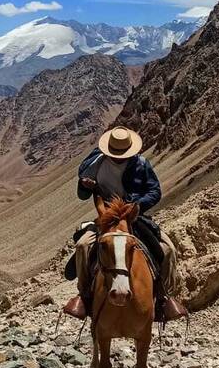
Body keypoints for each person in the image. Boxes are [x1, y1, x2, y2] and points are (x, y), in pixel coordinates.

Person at [63, 126, 187, 322]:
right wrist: (85, 185)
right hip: (106, 218)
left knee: (168, 249)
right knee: (83, 245)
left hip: (134, 217)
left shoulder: (141, 164)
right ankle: (84, 295)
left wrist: (138, 205)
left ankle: (163, 298)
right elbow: (82, 195)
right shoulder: (95, 163)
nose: (119, 157)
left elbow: (155, 191)